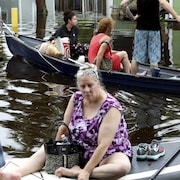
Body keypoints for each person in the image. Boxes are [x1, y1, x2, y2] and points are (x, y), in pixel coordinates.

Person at [0, 63, 133, 180]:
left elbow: (104, 145)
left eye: (90, 85)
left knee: (122, 167)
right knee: (45, 149)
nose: (86, 90)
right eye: (83, 86)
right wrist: (55, 153)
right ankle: (17, 173)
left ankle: (78, 172)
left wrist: (86, 171)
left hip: (107, 153)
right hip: (78, 149)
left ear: (97, 83)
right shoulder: (76, 98)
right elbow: (64, 127)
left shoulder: (111, 107)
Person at [120, 0, 180, 75]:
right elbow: (163, 3)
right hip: (154, 30)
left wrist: (132, 18)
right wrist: (176, 16)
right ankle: (153, 80)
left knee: (136, 58)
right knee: (154, 59)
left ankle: (133, 78)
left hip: (140, 30)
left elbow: (123, 4)